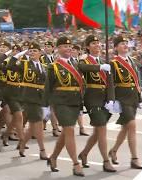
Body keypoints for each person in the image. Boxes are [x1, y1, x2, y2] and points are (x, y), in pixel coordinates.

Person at [46, 36, 92, 176]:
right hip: (61, 103)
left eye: (70, 46)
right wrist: (45, 105)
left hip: (74, 102)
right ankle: (75, 164)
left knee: (67, 132)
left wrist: (101, 66)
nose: (68, 49)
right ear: (58, 49)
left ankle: (53, 157)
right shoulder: (53, 66)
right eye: (65, 46)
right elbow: (48, 88)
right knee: (70, 130)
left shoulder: (76, 64)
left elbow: (86, 74)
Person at [77, 35, 116, 172]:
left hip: (104, 98)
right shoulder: (84, 59)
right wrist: (99, 67)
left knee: (98, 131)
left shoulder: (104, 60)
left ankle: (84, 153)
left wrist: (111, 99)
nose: (97, 45)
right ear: (87, 46)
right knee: (102, 129)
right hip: (92, 98)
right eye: (93, 43)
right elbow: (82, 68)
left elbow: (110, 82)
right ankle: (106, 161)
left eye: (98, 43)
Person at [108, 36, 142, 169]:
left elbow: (136, 82)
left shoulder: (132, 61)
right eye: (122, 43)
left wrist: (139, 98)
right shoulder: (113, 63)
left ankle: (113, 150)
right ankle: (134, 159)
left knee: (125, 128)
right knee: (132, 126)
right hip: (123, 98)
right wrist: (112, 100)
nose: (125, 45)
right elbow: (110, 84)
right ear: (116, 47)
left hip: (133, 97)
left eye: (126, 43)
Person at [8, 42, 48, 160]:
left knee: (32, 127)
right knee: (39, 124)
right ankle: (42, 150)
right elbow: (10, 66)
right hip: (29, 98)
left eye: (35, 51)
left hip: (40, 98)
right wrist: (18, 55)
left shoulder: (44, 66)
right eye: (30, 51)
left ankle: (22, 145)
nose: (32, 53)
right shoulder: (24, 64)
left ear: (40, 53)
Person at [71, 44, 89, 136]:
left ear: (78, 52)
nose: (72, 51)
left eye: (74, 50)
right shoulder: (68, 61)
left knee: (80, 109)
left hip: (80, 88)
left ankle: (81, 128)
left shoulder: (81, 61)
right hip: (71, 88)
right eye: (72, 50)